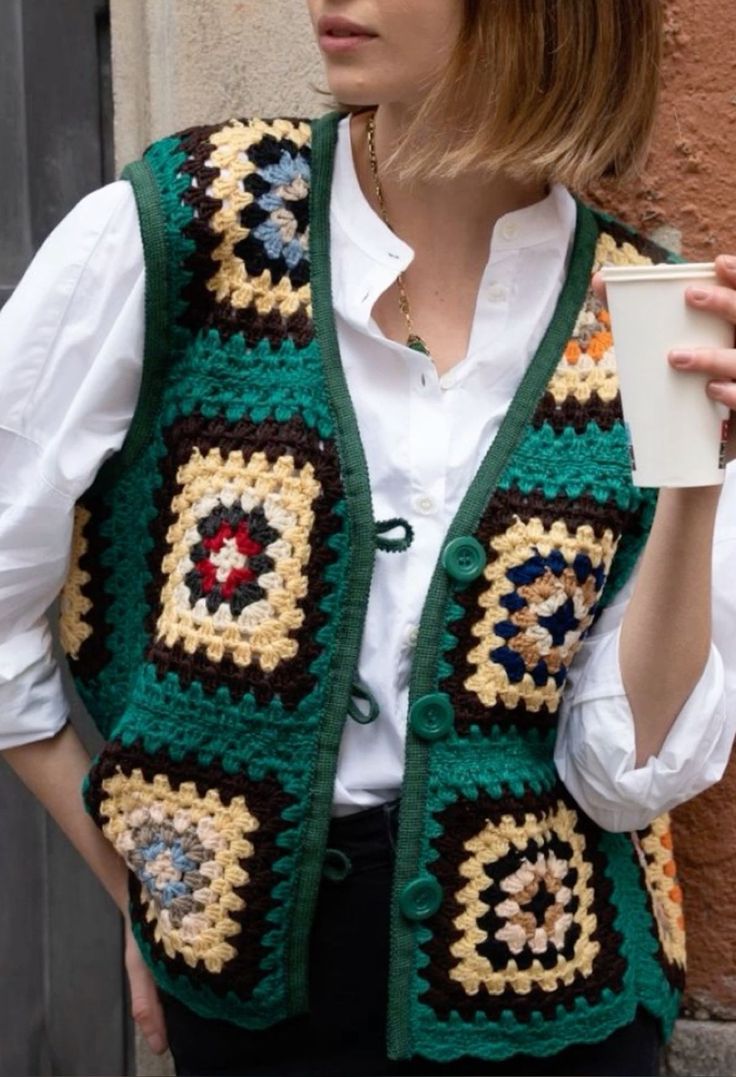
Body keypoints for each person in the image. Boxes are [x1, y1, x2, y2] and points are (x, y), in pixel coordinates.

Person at [1, 1, 735, 1074]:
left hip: (554, 996)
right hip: (245, 1002)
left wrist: (696, 482)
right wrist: (149, 888)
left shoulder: (647, 315)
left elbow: (622, 775)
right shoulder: (191, 223)